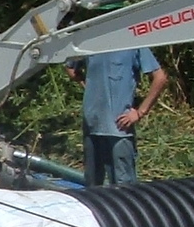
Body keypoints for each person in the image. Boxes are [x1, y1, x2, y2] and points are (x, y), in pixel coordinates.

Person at [72, 47, 168, 185]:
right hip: (92, 126)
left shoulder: (132, 42)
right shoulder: (90, 41)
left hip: (119, 129)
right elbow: (71, 68)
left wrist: (140, 112)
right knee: (92, 185)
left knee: (124, 188)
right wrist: (88, 86)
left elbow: (160, 78)